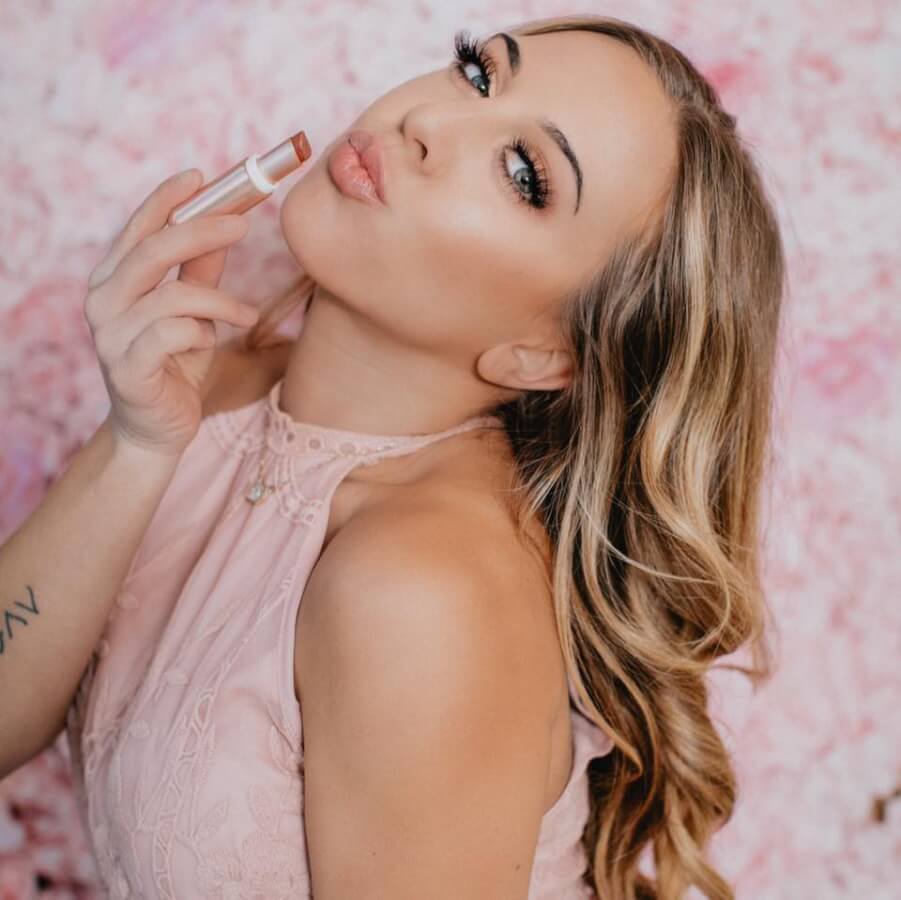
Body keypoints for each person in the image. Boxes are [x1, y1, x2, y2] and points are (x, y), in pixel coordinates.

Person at [0, 13, 786, 899]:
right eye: (477, 74)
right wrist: (137, 444)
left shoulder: (423, 589)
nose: (426, 121)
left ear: (543, 356)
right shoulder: (214, 388)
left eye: (523, 174)